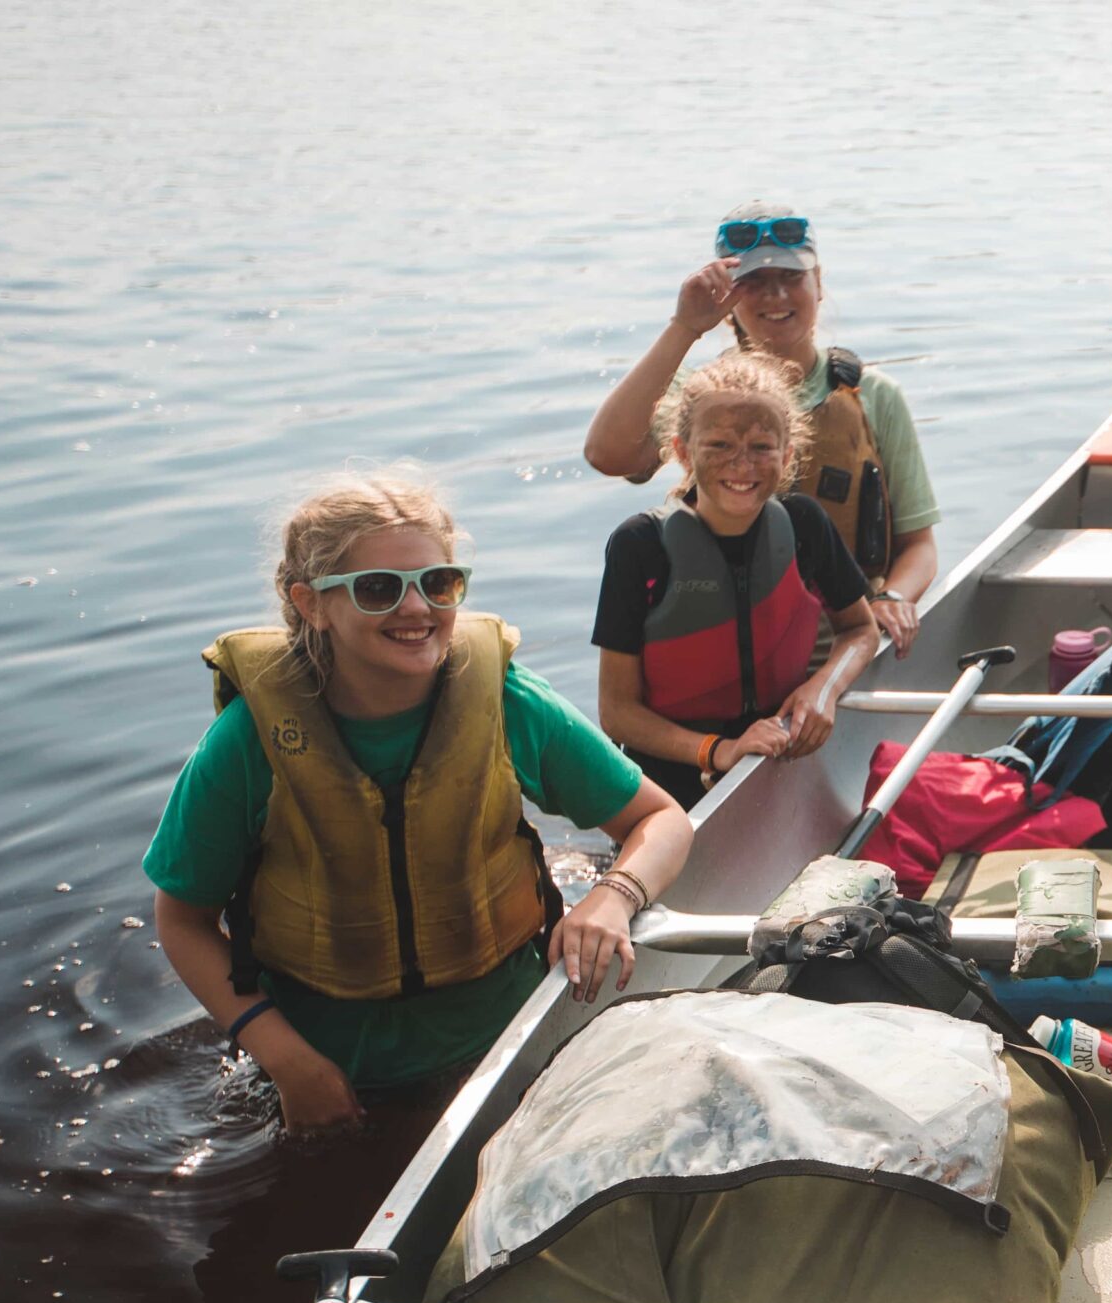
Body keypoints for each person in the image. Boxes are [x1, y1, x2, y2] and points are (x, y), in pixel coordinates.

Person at [145, 474, 694, 1135]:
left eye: (439, 584)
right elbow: (182, 920)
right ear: (311, 603)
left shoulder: (508, 703)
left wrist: (615, 895)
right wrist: (287, 1060)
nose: (417, 609)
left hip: (509, 1043)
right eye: (379, 588)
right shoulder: (248, 742)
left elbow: (661, 819)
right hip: (333, 1070)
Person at [583, 199, 939, 660]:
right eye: (754, 283)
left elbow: (920, 545)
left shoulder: (874, 394)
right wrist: (684, 328)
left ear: (819, 285)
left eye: (792, 279)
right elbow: (607, 455)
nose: (775, 297)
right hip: (727, 649)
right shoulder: (699, 397)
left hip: (841, 648)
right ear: (727, 298)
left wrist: (892, 598)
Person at [590, 351, 883, 808]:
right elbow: (617, 713)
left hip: (780, 754)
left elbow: (861, 629)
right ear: (684, 452)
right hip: (672, 783)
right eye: (720, 445)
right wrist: (718, 752)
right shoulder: (640, 546)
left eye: (762, 447)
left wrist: (823, 688)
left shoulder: (804, 525)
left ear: (787, 455)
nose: (742, 465)